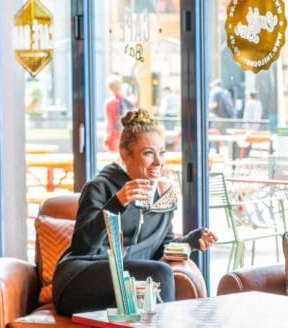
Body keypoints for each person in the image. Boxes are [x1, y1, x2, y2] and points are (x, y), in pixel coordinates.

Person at [52, 109, 219, 316]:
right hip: (78, 279)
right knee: (159, 273)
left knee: (155, 277)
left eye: (162, 152)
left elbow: (161, 250)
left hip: (125, 280)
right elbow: (82, 248)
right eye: (148, 153)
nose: (158, 161)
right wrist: (117, 203)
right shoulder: (100, 187)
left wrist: (191, 242)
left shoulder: (163, 197)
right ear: (126, 155)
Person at [104, 76, 134, 151]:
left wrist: (108, 137)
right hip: (127, 136)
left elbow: (109, 123)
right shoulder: (128, 102)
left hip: (114, 136)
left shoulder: (109, 103)